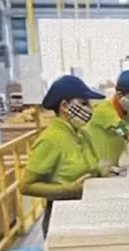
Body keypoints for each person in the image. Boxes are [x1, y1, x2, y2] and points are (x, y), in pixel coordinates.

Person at [20, 75, 105, 238]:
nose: (90, 109)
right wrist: (68, 190)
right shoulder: (50, 140)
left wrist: (103, 172)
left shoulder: (82, 135)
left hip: (86, 213)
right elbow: (26, 186)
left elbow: (89, 168)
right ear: (65, 106)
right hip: (62, 219)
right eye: (84, 103)